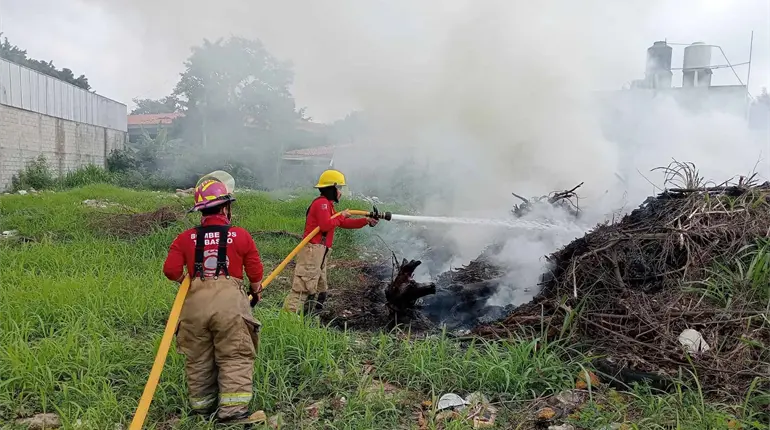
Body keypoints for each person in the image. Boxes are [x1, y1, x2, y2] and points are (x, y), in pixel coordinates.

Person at [162, 171, 265, 425]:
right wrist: (256, 289)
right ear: (226, 207)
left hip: (194, 306)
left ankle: (202, 409)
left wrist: (191, 283)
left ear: (201, 211)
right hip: (230, 306)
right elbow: (255, 271)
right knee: (235, 355)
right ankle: (232, 413)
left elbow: (171, 271)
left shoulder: (185, 238)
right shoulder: (240, 235)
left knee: (198, 358)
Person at [283, 169, 379, 315]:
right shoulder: (322, 204)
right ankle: (289, 318)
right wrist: (342, 215)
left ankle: (309, 317)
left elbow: (344, 223)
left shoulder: (328, 205)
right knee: (303, 286)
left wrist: (366, 220)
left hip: (321, 252)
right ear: (331, 188)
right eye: (338, 188)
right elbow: (326, 225)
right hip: (312, 251)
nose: (340, 192)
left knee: (320, 287)